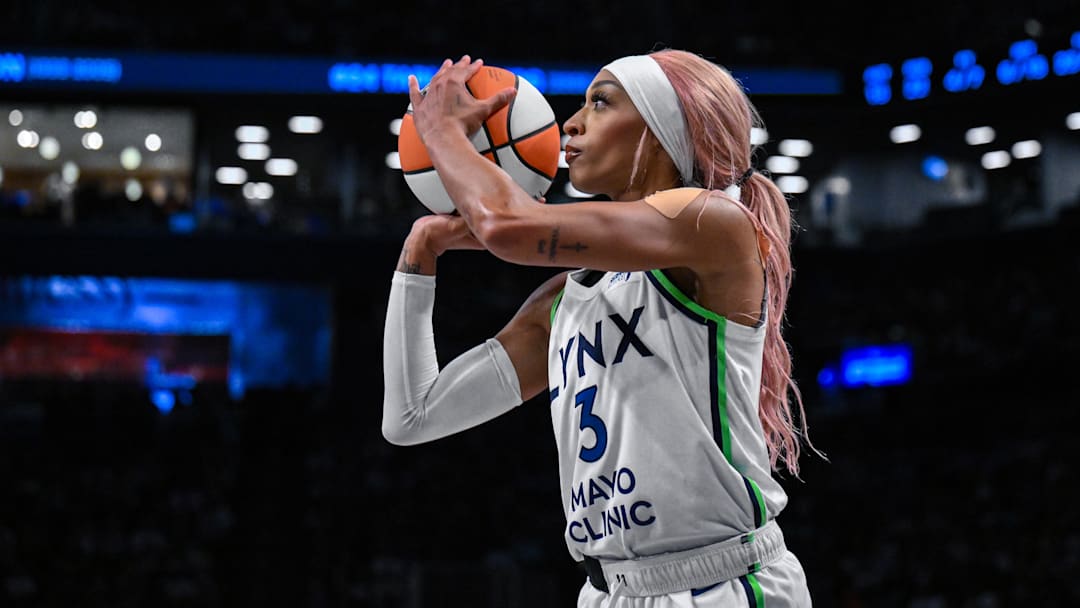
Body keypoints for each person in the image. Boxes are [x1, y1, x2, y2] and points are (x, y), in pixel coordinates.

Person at [382, 50, 818, 607]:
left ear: (663, 131)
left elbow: (506, 228)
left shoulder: (713, 223)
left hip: (722, 584)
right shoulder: (566, 300)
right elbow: (411, 417)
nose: (571, 121)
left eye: (602, 101)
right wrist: (420, 251)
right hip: (608, 590)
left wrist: (442, 131)